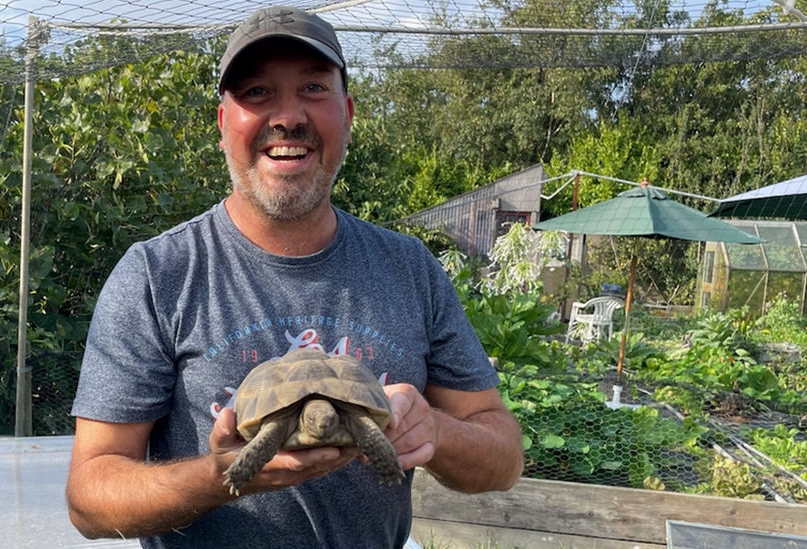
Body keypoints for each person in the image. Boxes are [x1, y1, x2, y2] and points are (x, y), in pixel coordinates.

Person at [66, 6, 524, 549]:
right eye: (257, 92)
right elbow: (88, 499)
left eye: (312, 87)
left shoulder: (411, 269)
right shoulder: (157, 275)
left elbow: (504, 456)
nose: (288, 116)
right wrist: (221, 478)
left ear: (347, 114)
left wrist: (438, 432)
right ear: (222, 124)